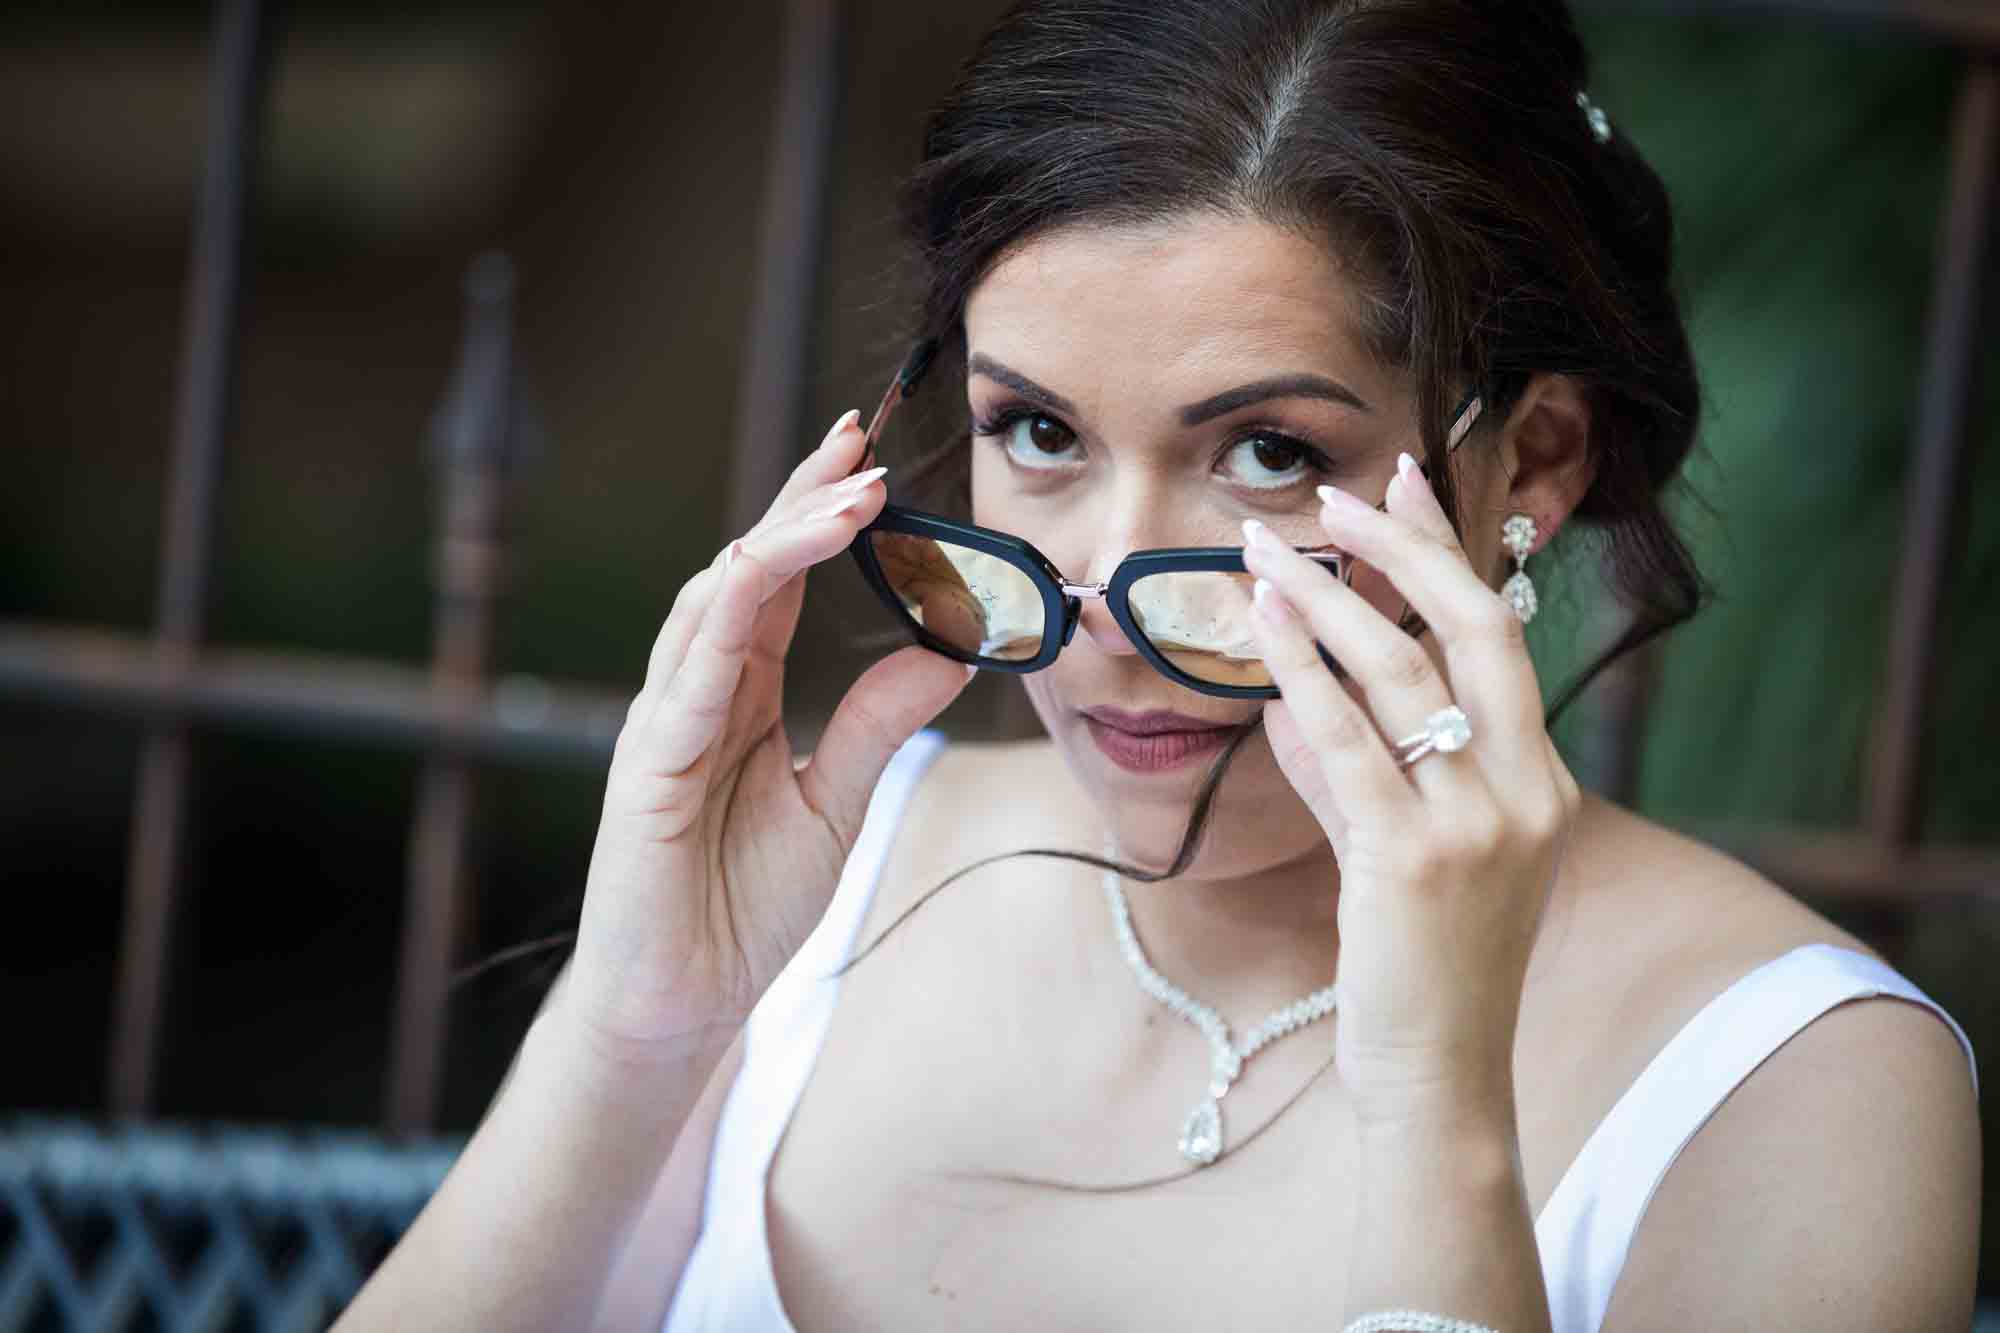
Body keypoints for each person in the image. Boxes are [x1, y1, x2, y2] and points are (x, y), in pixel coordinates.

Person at [335, 2, 1983, 1329]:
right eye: (1036, 431)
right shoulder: (824, 883)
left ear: (1534, 462)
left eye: (1268, 452)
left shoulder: (1803, 1088)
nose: (1108, 597)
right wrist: (639, 1024)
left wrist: (1432, 1109)